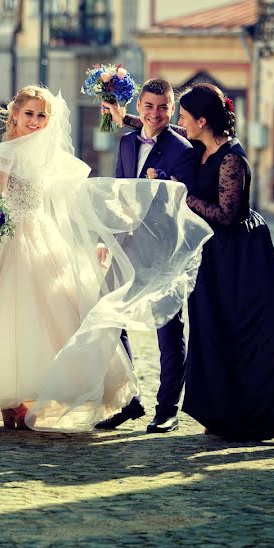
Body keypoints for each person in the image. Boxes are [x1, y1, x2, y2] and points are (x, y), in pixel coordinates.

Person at [0, 86, 212, 433]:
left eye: (41, 115)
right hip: (4, 239)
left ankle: (17, 399)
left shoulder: (51, 157)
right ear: (14, 115)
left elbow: (69, 199)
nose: (34, 121)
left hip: (41, 236)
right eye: (29, 113)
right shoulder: (6, 153)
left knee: (38, 320)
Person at [177, 83, 274, 440]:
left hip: (239, 257)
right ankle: (218, 412)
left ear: (202, 120)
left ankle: (247, 417)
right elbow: (160, 130)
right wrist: (124, 117)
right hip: (212, 254)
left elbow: (227, 214)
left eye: (184, 117)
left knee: (238, 332)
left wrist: (184, 197)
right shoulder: (198, 146)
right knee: (209, 330)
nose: (179, 124)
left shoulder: (231, 158)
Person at [95, 79, 197, 433]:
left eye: (164, 107)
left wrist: (163, 181)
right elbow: (119, 191)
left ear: (172, 109)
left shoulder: (184, 149)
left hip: (164, 251)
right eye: (150, 106)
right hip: (126, 246)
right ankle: (129, 400)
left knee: (168, 329)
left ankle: (167, 408)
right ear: (138, 106)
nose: (156, 114)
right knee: (110, 318)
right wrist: (108, 236)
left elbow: (186, 206)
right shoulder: (125, 142)